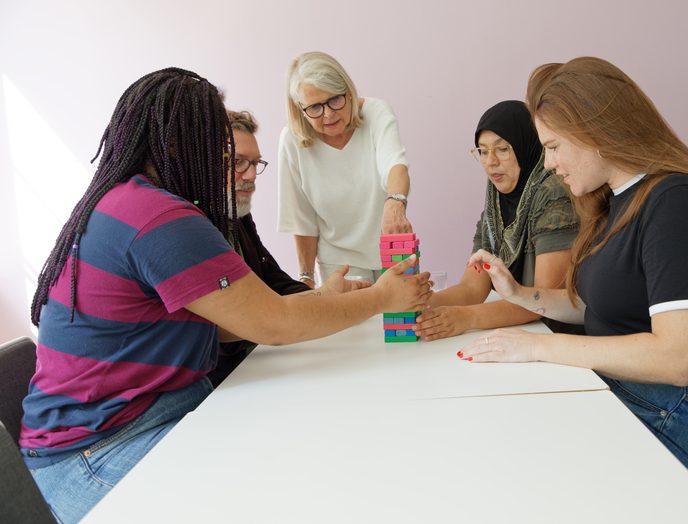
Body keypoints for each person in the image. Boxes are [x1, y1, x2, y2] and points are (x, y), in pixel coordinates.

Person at [20, 68, 432, 523]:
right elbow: (273, 324)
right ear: (182, 143)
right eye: (218, 144)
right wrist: (381, 297)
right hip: (98, 450)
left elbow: (245, 314)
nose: (230, 161)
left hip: (136, 420)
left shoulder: (122, 199)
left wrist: (324, 301)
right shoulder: (159, 217)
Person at [461, 57, 688, 487]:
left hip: (686, 409)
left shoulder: (679, 205)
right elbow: (593, 308)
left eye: (553, 146)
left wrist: (538, 347)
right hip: (635, 387)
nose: (547, 164)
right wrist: (518, 292)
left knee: (522, 471)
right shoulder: (616, 200)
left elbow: (676, 359)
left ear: (593, 132)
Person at [414, 101, 579, 341]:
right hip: (525, 336)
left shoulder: (553, 192)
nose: (490, 162)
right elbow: (472, 288)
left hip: (561, 337)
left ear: (526, 147)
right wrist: (419, 303)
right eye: (482, 151)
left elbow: (546, 297)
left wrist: (465, 319)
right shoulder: (496, 198)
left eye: (502, 149)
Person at [278, 51, 412, 288]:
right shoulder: (291, 142)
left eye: (334, 101)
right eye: (315, 108)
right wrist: (306, 277)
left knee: (402, 320)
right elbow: (303, 219)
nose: (328, 114)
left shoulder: (377, 113)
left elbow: (395, 164)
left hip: (390, 249)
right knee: (353, 324)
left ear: (348, 93)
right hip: (339, 264)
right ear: (300, 108)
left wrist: (395, 202)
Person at [208, 109, 310, 387]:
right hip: (220, 382)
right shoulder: (193, 227)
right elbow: (226, 333)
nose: (252, 175)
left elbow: (274, 280)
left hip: (254, 363)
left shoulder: (239, 216)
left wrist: (330, 297)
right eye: (239, 162)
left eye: (255, 163)